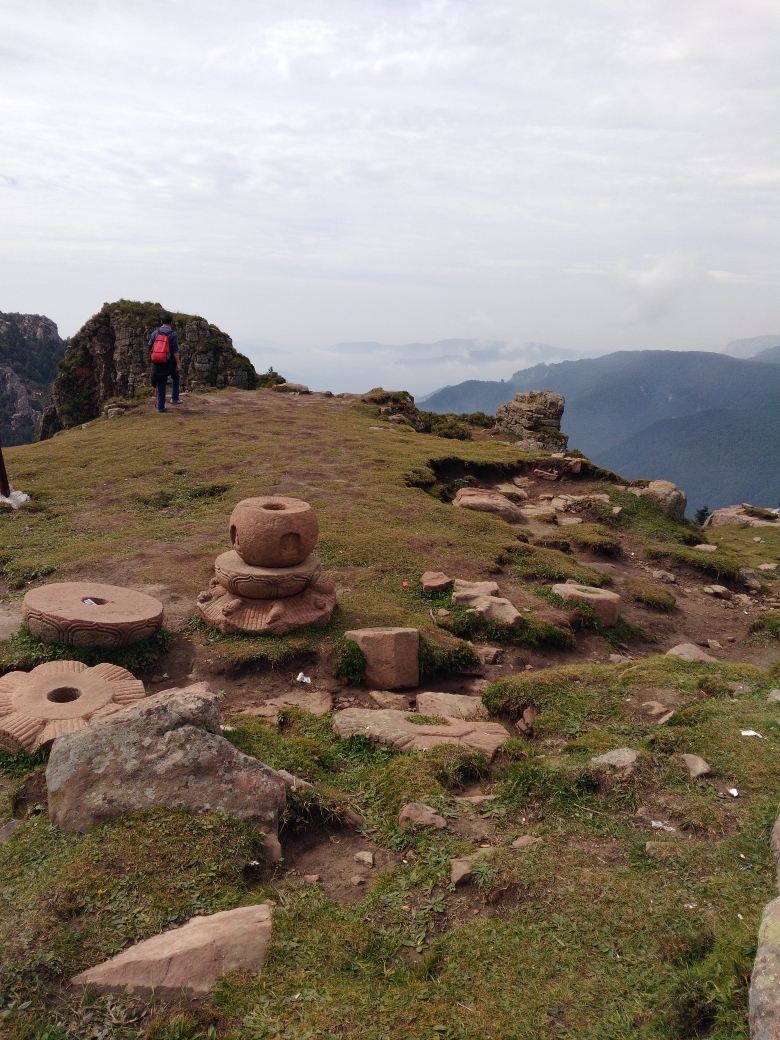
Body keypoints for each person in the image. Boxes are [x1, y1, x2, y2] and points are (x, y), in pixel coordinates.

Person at [148, 314, 182, 412]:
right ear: (171, 323)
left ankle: (160, 407)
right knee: (175, 376)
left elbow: (149, 346)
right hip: (169, 362)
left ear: (161, 322)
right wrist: (178, 363)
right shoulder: (173, 334)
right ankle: (175, 398)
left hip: (158, 361)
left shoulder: (155, 333)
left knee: (161, 382)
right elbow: (175, 350)